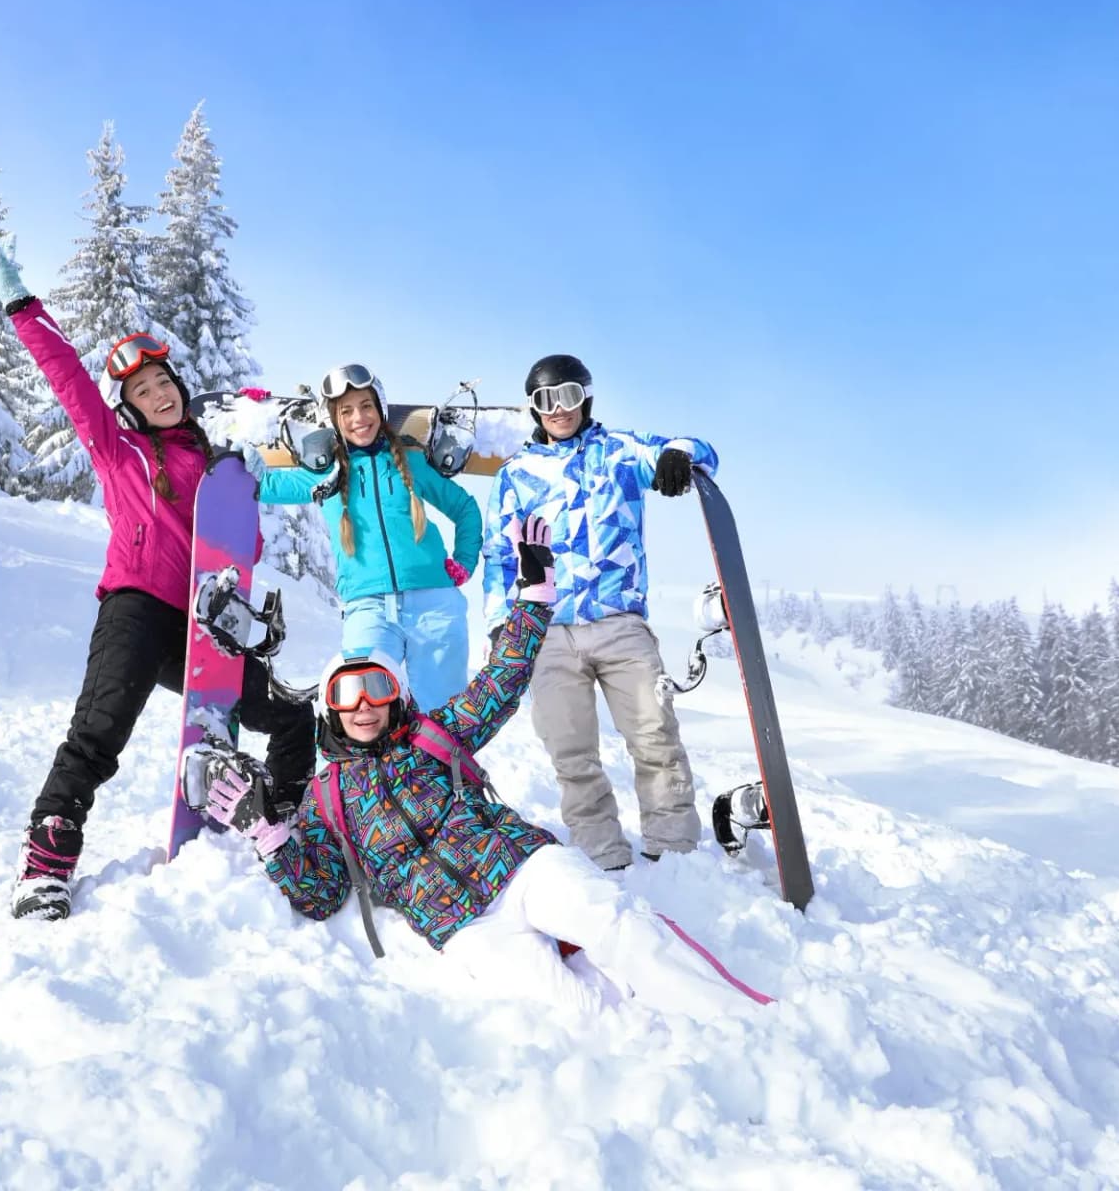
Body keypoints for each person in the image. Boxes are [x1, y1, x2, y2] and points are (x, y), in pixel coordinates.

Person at [200, 516, 769, 1017]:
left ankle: (736, 1017)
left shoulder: (431, 736)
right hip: (465, 928)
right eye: (347, 696)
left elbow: (500, 682)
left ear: (395, 694)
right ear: (331, 711)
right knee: (575, 1011)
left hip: (520, 867)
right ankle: (666, 1051)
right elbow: (319, 894)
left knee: (616, 925)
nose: (364, 705)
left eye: (376, 688)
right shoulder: (326, 799)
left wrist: (533, 603)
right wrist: (272, 840)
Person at [0, 237, 316, 921]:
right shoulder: (119, 451)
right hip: (137, 609)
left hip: (204, 625)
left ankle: (284, 818)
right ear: (129, 407)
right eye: (142, 390)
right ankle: (46, 862)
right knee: (101, 728)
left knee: (289, 715)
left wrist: (270, 464)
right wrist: (22, 305)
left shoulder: (222, 465)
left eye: (164, 382)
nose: (159, 393)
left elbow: (258, 524)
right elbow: (69, 378)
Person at [483, 355, 719, 872]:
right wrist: (502, 623)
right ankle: (602, 855)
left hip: (619, 622)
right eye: (546, 400)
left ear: (585, 396)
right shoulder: (516, 475)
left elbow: (701, 451)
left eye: (568, 395)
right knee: (571, 754)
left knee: (654, 736)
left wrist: (679, 455)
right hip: (547, 631)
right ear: (533, 408)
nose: (558, 409)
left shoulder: (620, 453)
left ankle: (675, 851)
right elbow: (499, 555)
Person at [253, 364, 483, 707]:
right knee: (365, 707)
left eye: (366, 406)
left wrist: (464, 561)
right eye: (346, 411)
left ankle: (447, 763)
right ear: (334, 419)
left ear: (381, 409)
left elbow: (465, 508)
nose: (358, 417)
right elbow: (264, 484)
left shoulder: (410, 462)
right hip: (368, 607)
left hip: (434, 603)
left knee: (445, 715)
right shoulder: (325, 473)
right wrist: (248, 428)